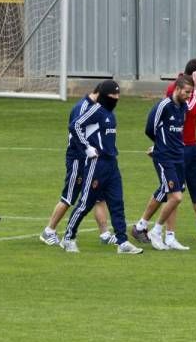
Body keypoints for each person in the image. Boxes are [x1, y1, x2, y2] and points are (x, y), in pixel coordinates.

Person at [130, 59, 196, 245]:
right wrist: (160, 145)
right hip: (176, 150)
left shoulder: (189, 91)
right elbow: (190, 112)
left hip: (191, 146)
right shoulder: (175, 90)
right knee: (171, 192)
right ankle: (153, 230)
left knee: (195, 188)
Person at [59, 80, 143, 254]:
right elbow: (74, 125)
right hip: (96, 164)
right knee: (86, 203)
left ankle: (122, 242)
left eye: (118, 96)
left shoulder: (111, 115)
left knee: (117, 203)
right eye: (113, 96)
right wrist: (87, 148)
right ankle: (68, 237)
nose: (116, 99)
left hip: (112, 164)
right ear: (105, 96)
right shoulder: (95, 111)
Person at [39, 85, 113, 246]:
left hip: (92, 161)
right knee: (70, 196)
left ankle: (105, 234)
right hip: (77, 159)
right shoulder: (82, 107)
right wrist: (87, 149)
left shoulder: (97, 107)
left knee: (99, 196)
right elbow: (75, 132)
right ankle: (48, 231)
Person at [141, 75, 195, 251]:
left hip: (179, 156)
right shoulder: (163, 105)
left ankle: (170, 237)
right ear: (177, 89)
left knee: (175, 197)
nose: (189, 95)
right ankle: (155, 231)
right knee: (176, 196)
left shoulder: (184, 107)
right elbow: (150, 128)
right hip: (165, 157)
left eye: (191, 92)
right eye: (187, 92)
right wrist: (159, 146)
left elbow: (177, 131)